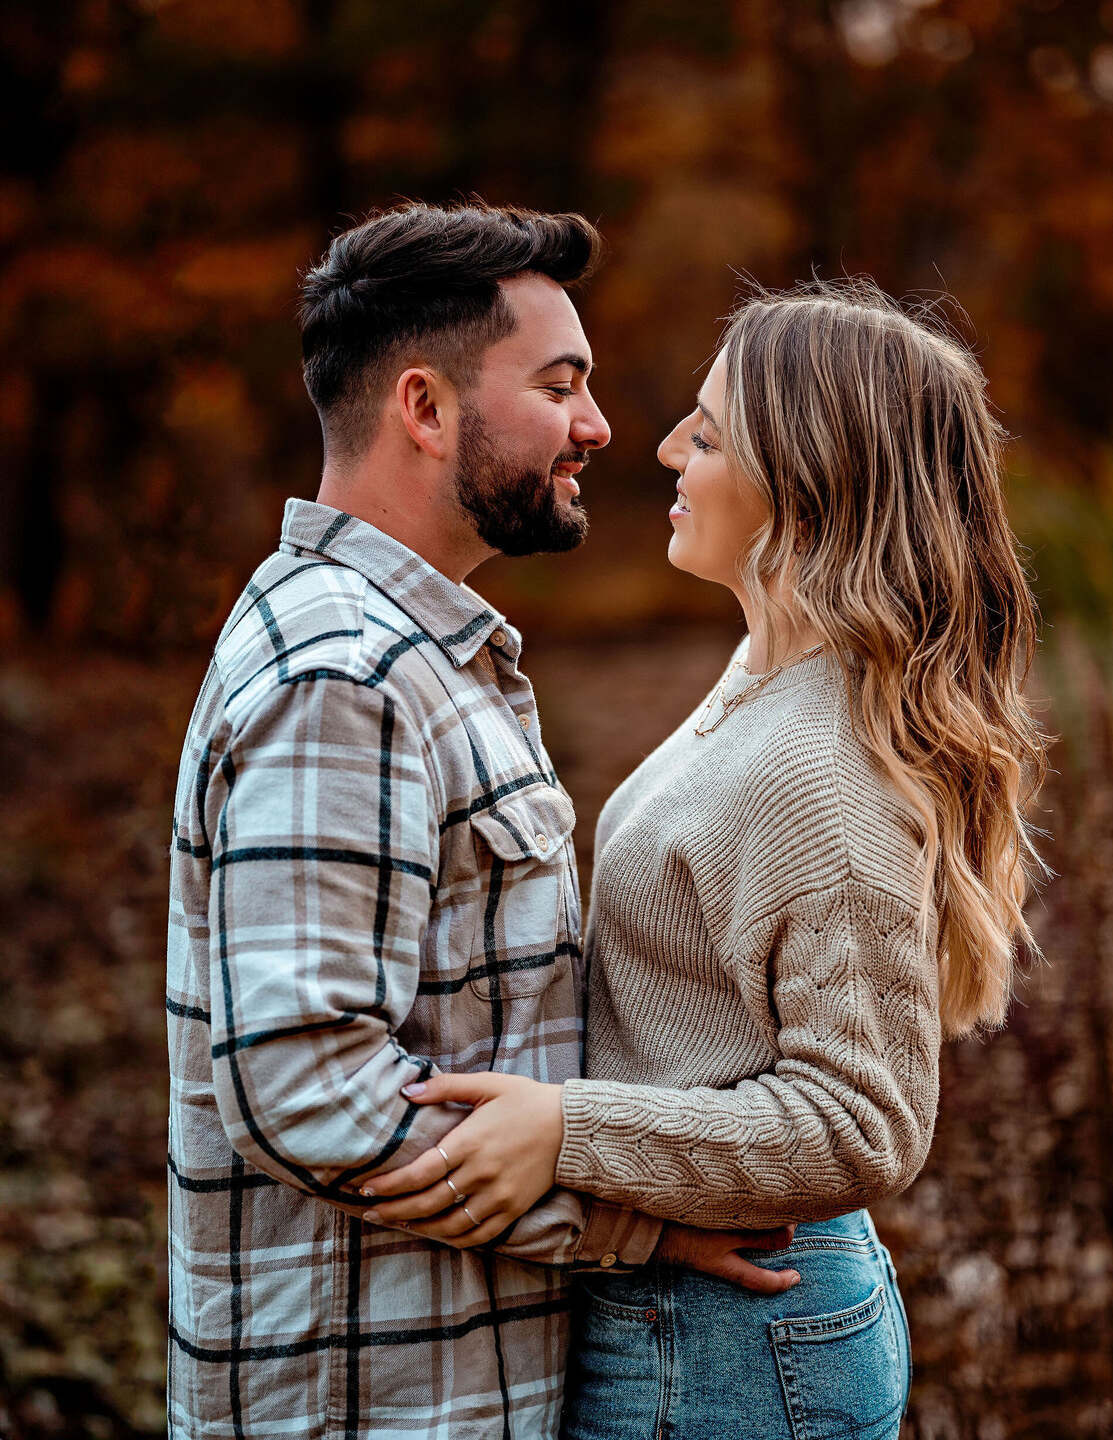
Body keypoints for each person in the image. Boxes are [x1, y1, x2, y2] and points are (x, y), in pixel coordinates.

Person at [358, 277, 1049, 1440]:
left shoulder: (817, 769)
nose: (670, 446)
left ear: (808, 479)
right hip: (693, 1308)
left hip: (731, 1338)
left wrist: (568, 1128)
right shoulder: (769, 674)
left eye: (710, 431)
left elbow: (862, 1119)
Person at [165, 202, 797, 1440]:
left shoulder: (425, 657)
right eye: (561, 384)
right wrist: (627, 1213)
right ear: (426, 408)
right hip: (376, 1407)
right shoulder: (342, 676)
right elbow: (306, 1084)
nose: (601, 427)